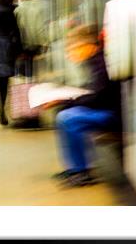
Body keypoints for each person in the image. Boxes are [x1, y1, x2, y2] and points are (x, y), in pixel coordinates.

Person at [48, 24, 122, 187]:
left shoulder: (102, 64)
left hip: (112, 114)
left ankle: (82, 172)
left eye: (73, 48)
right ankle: (74, 168)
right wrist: (68, 99)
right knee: (62, 115)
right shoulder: (94, 61)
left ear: (87, 46)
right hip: (103, 108)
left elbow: (98, 96)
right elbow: (92, 92)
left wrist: (66, 100)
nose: (69, 54)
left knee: (69, 118)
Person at [14, 0, 50, 80]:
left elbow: (17, 27)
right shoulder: (47, 6)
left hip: (25, 43)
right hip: (42, 43)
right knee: (42, 69)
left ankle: (30, 84)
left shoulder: (18, 9)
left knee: (28, 70)